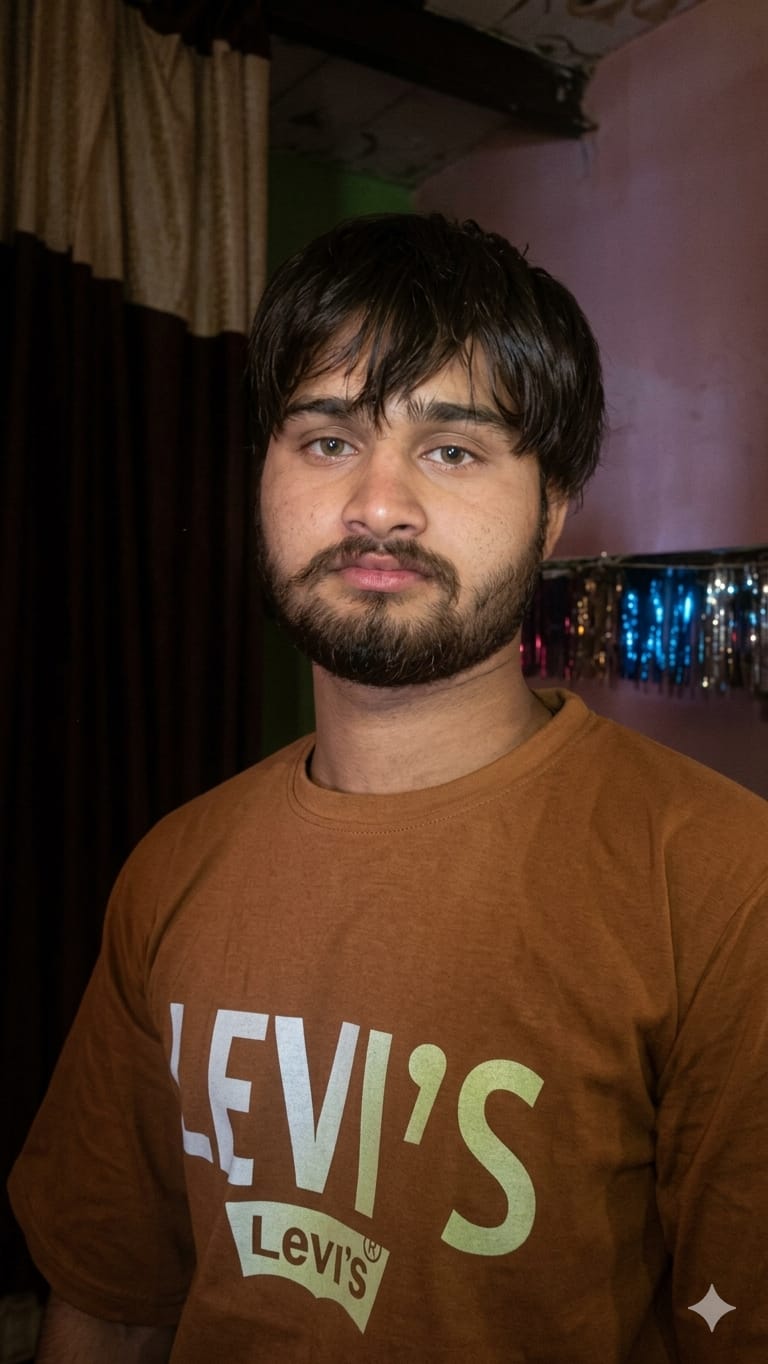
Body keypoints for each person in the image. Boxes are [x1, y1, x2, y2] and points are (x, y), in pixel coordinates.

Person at [9, 213, 768, 1363]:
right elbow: (112, 1302)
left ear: (552, 506)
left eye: (451, 449)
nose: (377, 503)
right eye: (327, 439)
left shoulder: (720, 878)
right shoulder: (172, 866)